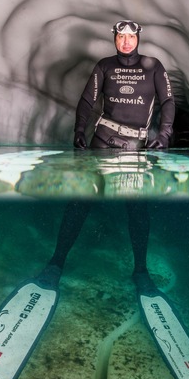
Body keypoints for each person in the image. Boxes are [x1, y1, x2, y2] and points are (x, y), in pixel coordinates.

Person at [38, 20, 175, 292]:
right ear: (114, 38)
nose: (126, 41)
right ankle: (55, 263)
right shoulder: (104, 66)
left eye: (130, 36)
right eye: (120, 36)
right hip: (103, 140)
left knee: (137, 208)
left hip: (136, 147)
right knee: (81, 200)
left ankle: (141, 271)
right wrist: (79, 129)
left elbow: (168, 101)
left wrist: (165, 133)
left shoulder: (154, 66)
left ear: (138, 38)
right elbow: (88, 100)